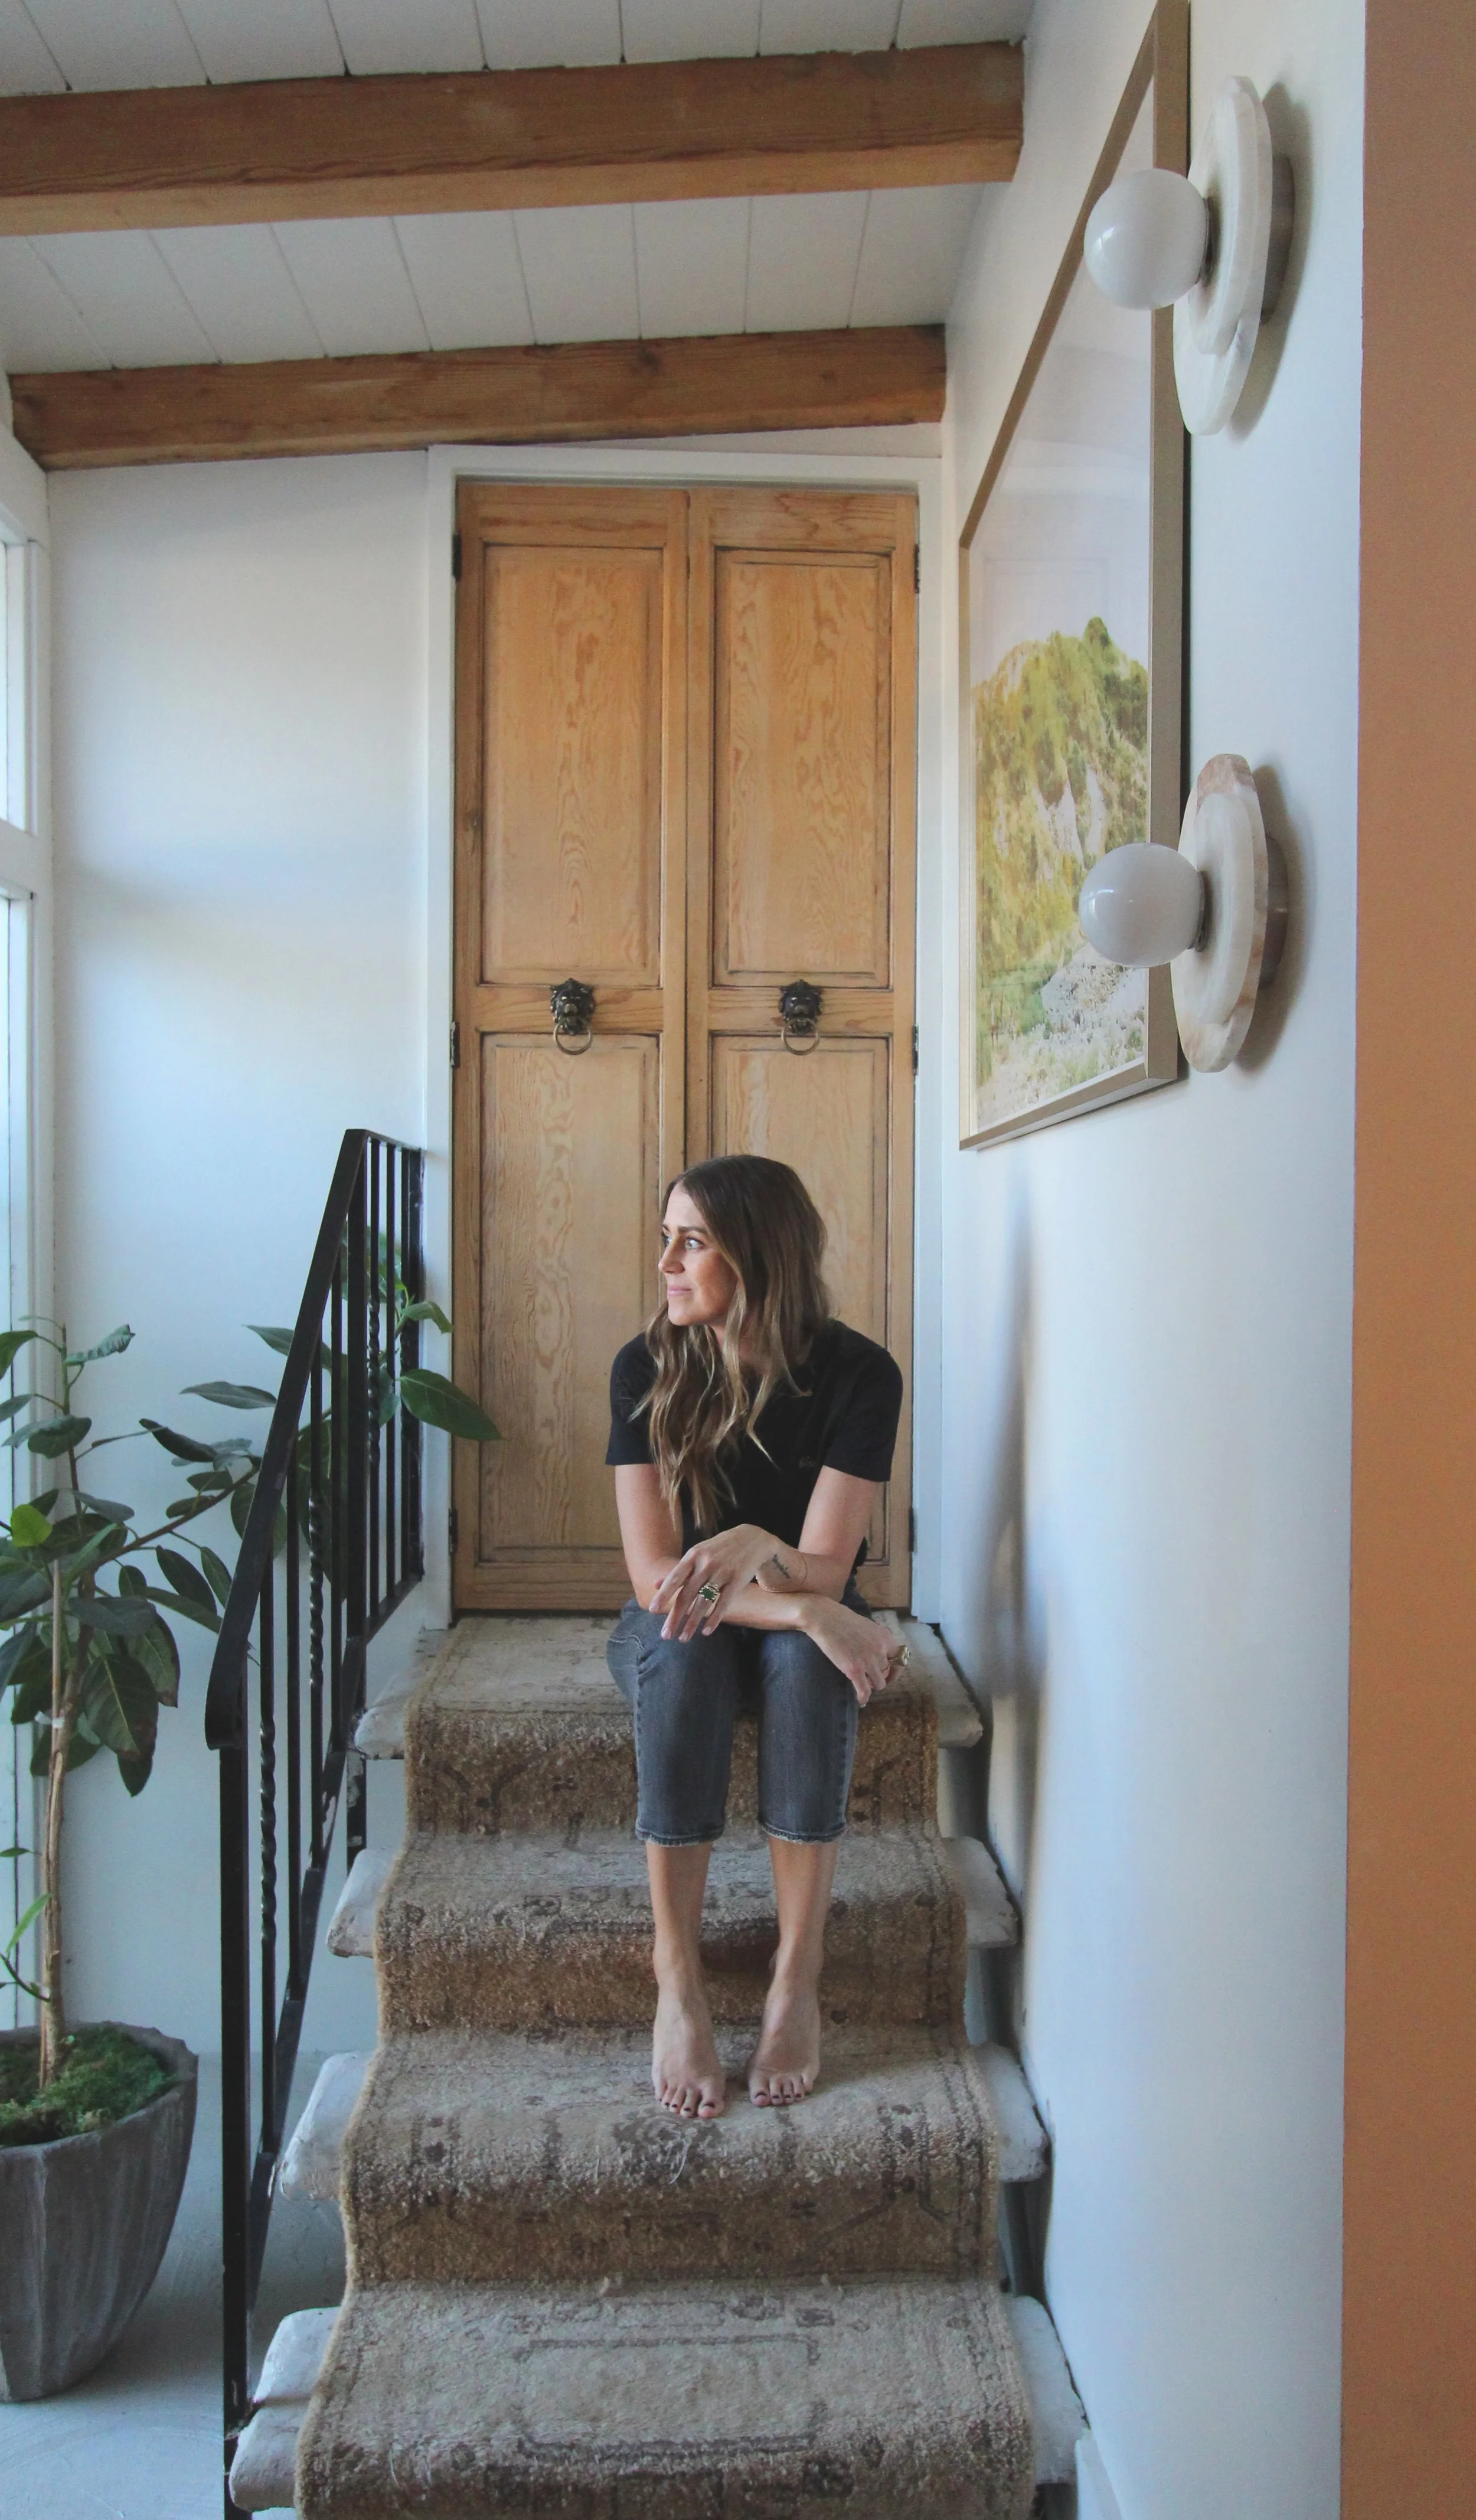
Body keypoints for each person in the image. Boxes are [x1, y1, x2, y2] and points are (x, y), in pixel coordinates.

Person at [606, 1153, 906, 2123]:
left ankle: (796, 1973)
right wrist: (815, 1606)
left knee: (803, 1663)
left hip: (782, 1612)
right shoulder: (645, 1367)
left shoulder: (860, 1374)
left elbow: (824, 1558)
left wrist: (765, 1555)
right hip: (673, 1625)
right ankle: (678, 1978)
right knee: (692, 1650)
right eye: (667, 1238)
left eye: (691, 1240)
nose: (667, 1262)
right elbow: (658, 1583)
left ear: (757, 1253)